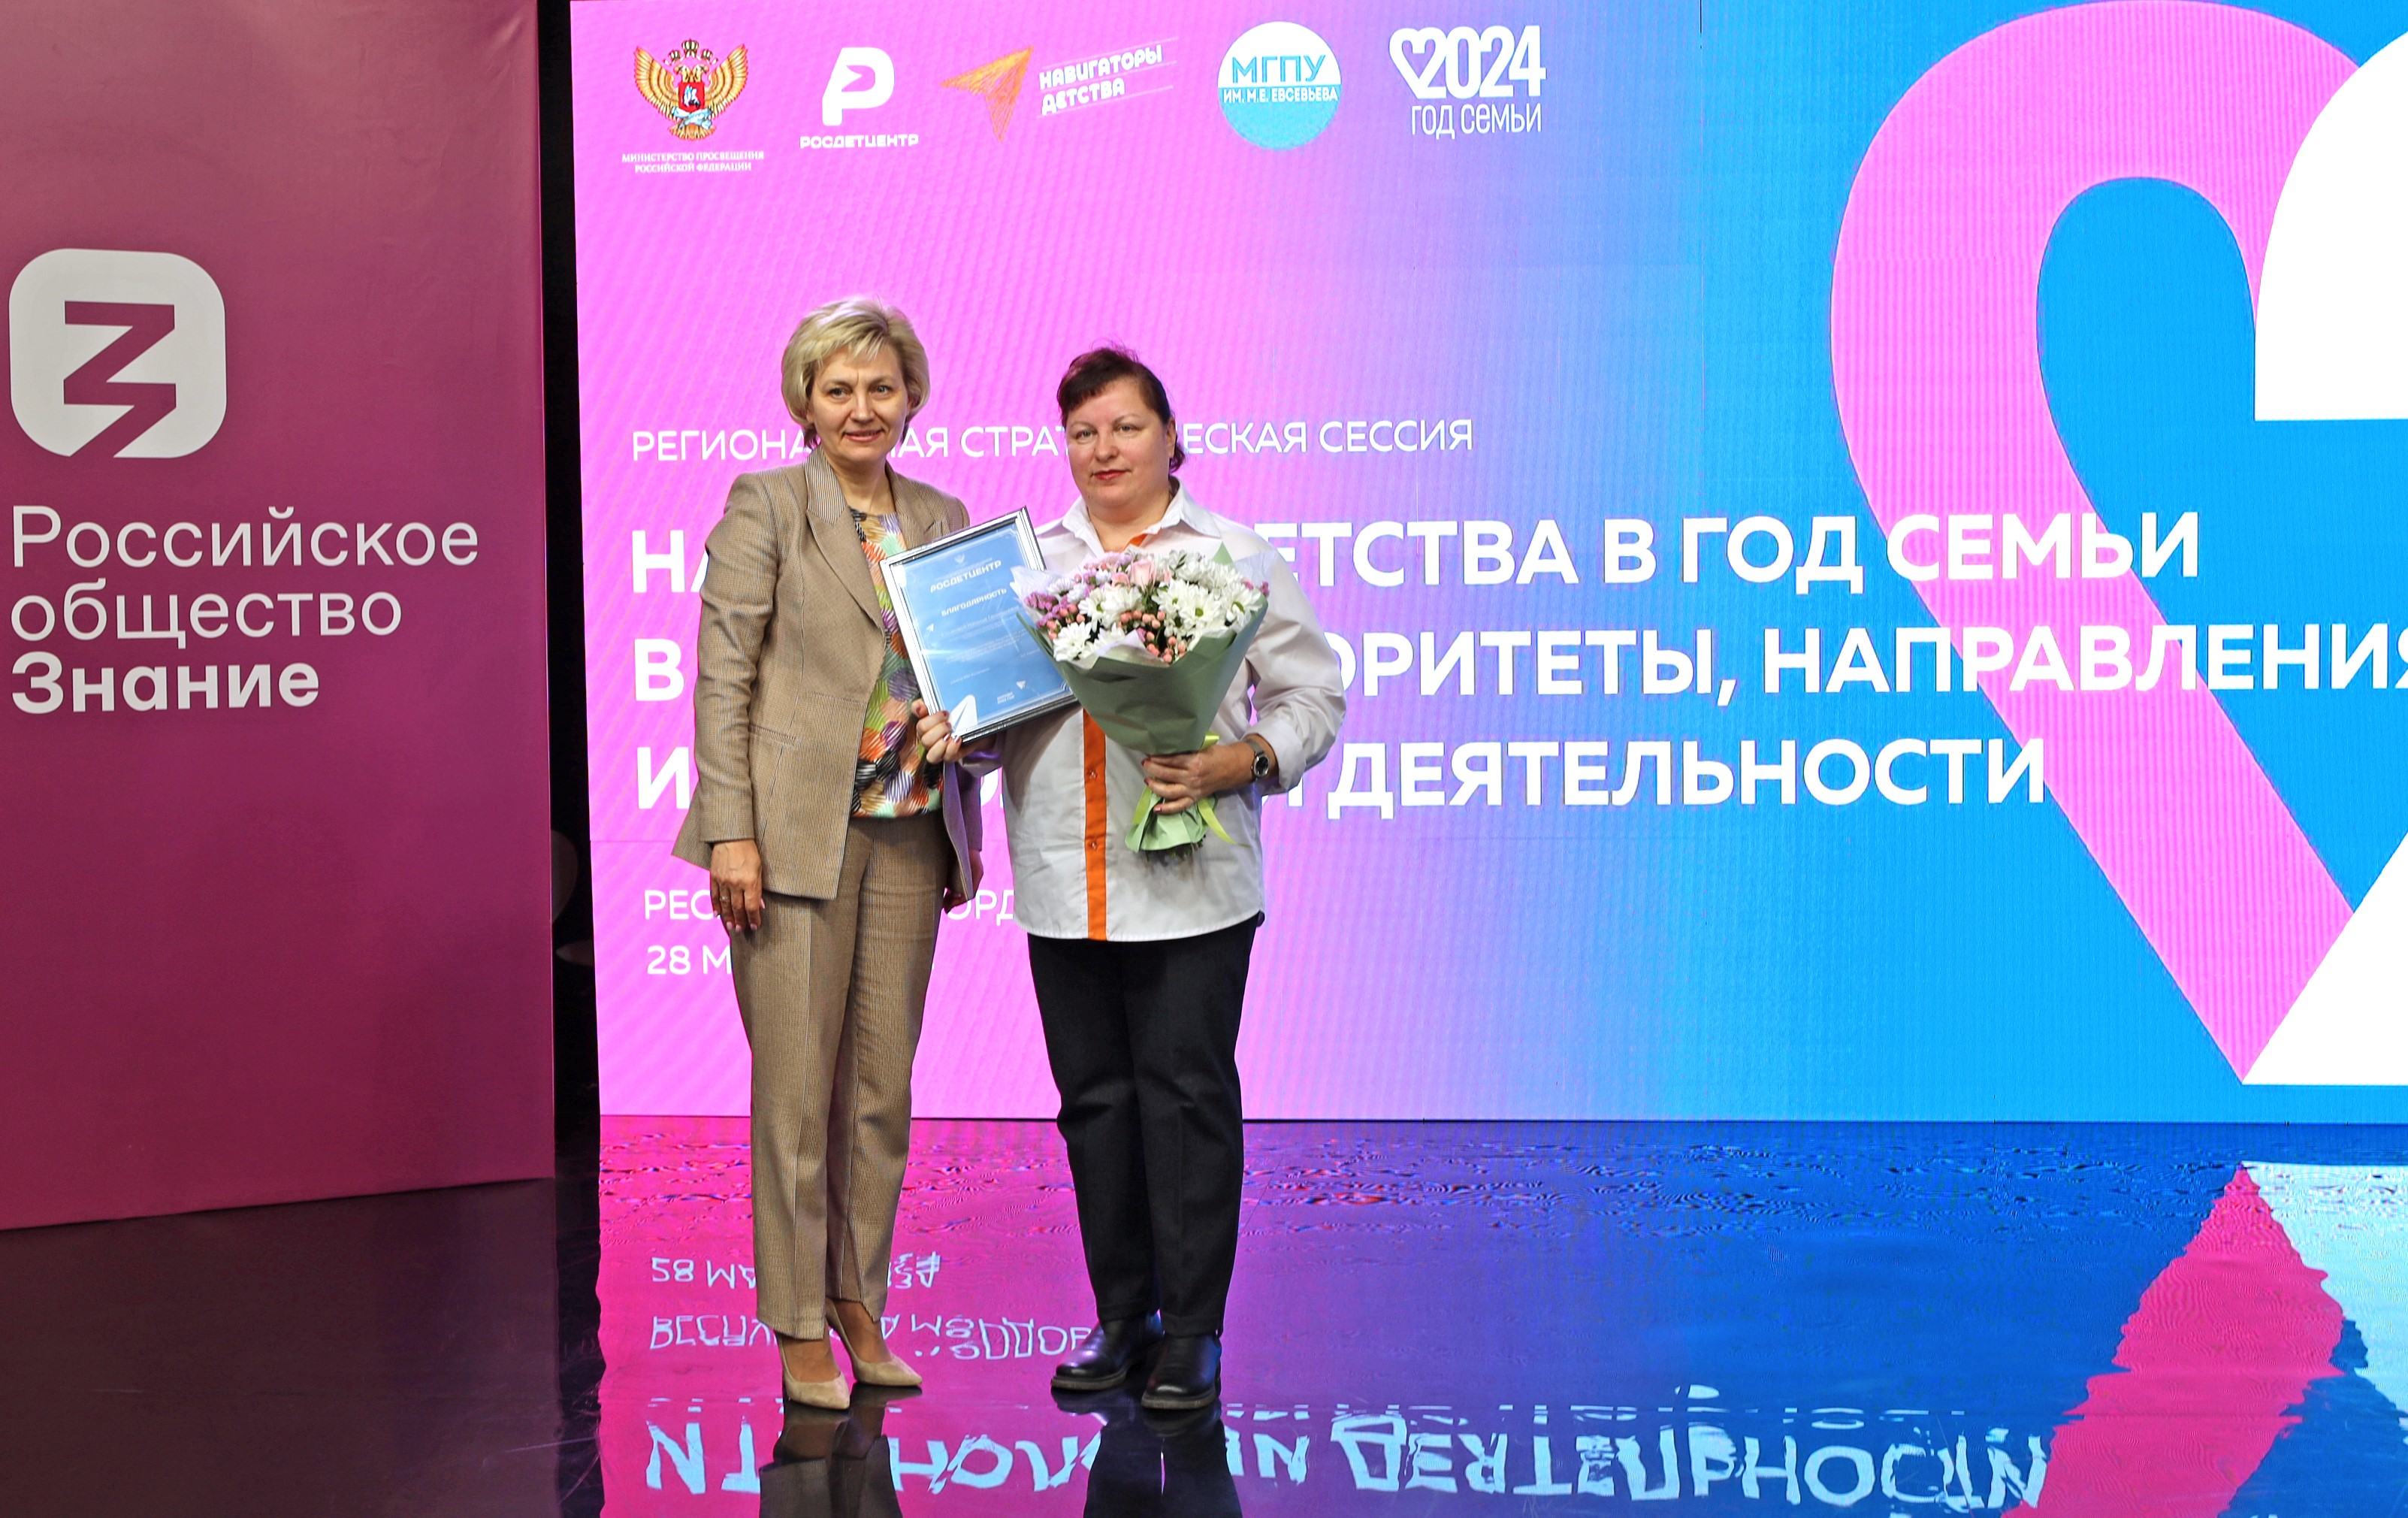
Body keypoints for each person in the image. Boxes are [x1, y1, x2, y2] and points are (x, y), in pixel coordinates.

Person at [931, 346, 1343, 1410]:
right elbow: (997, 727)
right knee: (1096, 1106)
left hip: (1197, 881)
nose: (1103, 449)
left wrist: (1242, 759)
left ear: (1170, 438)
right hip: (1064, 880)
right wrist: (960, 732)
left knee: (1188, 1101)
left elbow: (1311, 699)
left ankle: (1194, 1331)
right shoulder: (1028, 570)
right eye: (1082, 433)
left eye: (1124, 427)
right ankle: (1124, 1316)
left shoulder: (1232, 555)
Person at [671, 297, 978, 1410]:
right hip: (792, 838)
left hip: (910, 832)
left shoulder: (944, 516)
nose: (861, 408)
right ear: (805, 402)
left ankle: (859, 1301)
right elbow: (724, 676)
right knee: (798, 1096)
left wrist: (974, 724)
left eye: (881, 387)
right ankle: (799, 1322)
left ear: (912, 398)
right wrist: (731, 830)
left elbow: (975, 674)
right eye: (838, 389)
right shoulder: (767, 504)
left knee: (879, 1095)